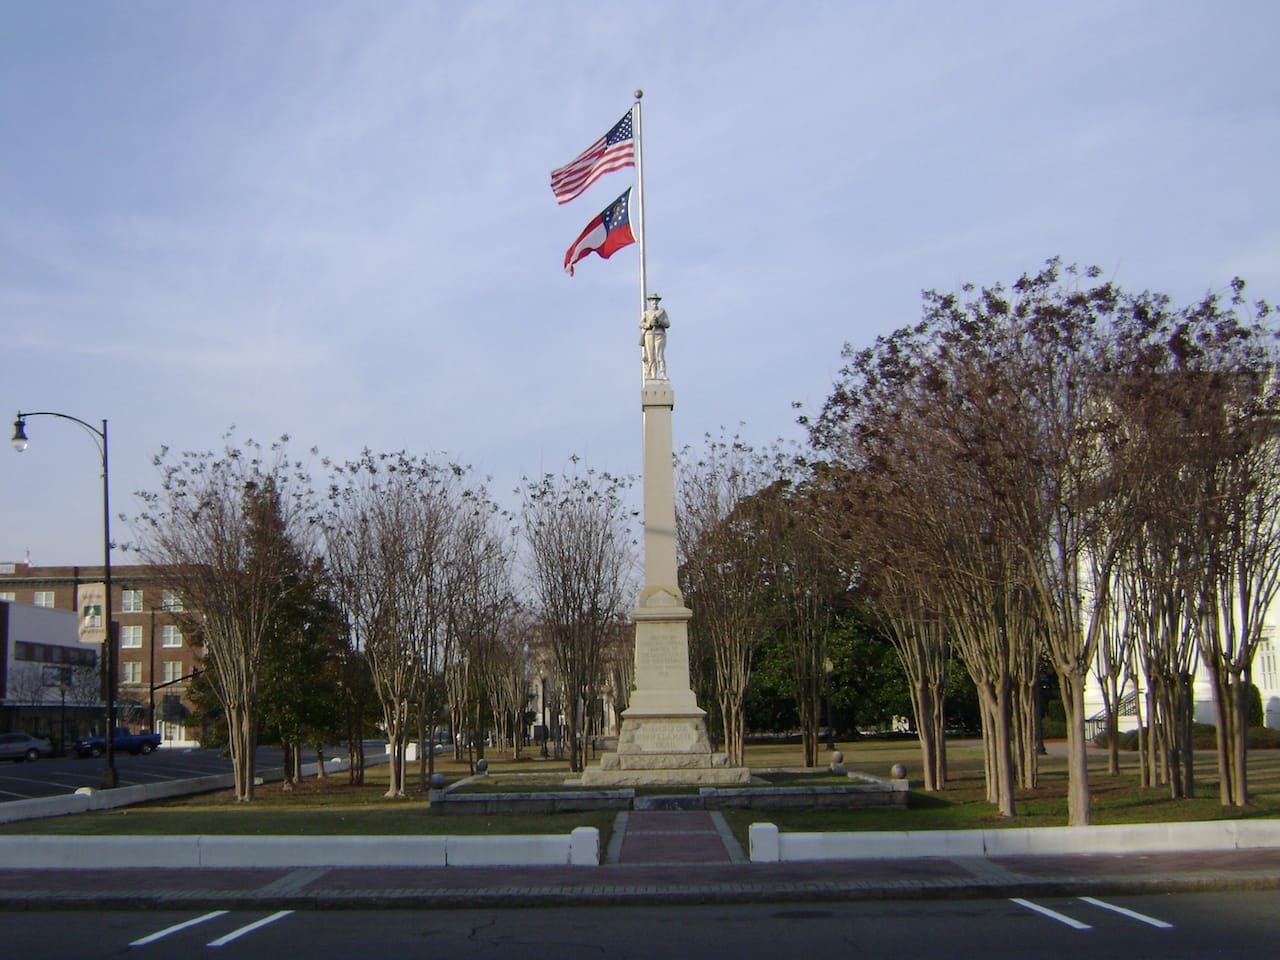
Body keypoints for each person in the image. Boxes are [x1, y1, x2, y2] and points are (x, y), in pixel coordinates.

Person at [640, 292, 669, 379]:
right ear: (650, 301)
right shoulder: (647, 313)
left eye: (655, 300)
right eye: (652, 300)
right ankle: (653, 374)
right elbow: (641, 324)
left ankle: (662, 373)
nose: (654, 301)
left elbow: (667, 323)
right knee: (651, 356)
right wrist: (649, 324)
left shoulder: (662, 312)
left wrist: (659, 322)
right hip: (649, 334)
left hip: (659, 334)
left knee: (659, 355)